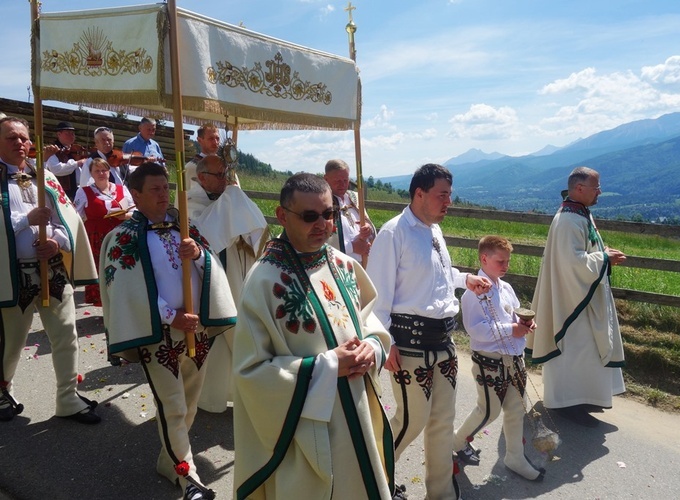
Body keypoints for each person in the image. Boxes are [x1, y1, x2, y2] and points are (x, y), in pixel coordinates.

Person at [233, 173, 395, 500]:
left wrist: (373, 347)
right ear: (282, 216)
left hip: (358, 412)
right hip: (310, 429)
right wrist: (328, 365)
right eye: (309, 216)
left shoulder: (342, 264)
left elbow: (368, 320)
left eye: (328, 214)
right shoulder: (263, 281)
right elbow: (250, 373)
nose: (322, 224)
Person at [99, 162, 236, 500]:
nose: (164, 195)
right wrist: (169, 315)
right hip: (159, 335)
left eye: (166, 188)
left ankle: (169, 459)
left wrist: (199, 254)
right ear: (136, 194)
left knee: (189, 404)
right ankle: (187, 477)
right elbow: (126, 289)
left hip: (197, 330)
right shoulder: (122, 237)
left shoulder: (185, 227)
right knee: (172, 405)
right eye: (156, 189)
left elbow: (211, 269)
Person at [367, 163, 492, 500]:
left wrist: (465, 279)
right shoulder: (393, 233)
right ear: (419, 194)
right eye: (442, 195)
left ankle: (440, 493)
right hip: (409, 344)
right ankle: (371, 479)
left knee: (441, 421)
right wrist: (386, 340)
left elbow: (436, 275)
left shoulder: (434, 230)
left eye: (449, 194)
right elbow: (377, 294)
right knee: (411, 421)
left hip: (444, 342)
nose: (448, 201)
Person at [0, 116, 100, 424]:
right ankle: (3, 391)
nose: (20, 143)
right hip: (13, 274)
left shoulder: (44, 176)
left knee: (66, 334)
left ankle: (68, 398)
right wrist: (25, 219)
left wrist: (56, 240)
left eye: (23, 138)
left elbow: (67, 218)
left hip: (52, 271)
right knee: (11, 342)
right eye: (11, 138)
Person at [527, 166, 627, 428]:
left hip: (583, 295)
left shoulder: (580, 213)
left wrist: (603, 252)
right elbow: (572, 263)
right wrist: (604, 258)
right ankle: (566, 404)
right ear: (579, 189)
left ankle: (583, 399)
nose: (600, 191)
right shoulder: (569, 220)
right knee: (575, 351)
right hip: (571, 300)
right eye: (596, 187)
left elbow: (583, 252)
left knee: (586, 352)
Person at [452, 236, 544, 481]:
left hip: (514, 358)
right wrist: (510, 330)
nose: (506, 266)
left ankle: (515, 456)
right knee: (488, 411)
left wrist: (524, 322)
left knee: (516, 409)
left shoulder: (505, 287)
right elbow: (475, 329)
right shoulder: (473, 294)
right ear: (484, 259)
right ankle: (457, 440)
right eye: (500, 261)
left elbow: (515, 313)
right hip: (489, 361)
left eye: (508, 261)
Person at [187, 154, 269, 413]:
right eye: (220, 175)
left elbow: (255, 234)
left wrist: (238, 215)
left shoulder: (229, 200)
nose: (227, 180)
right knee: (218, 338)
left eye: (227, 174)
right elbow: (204, 234)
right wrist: (232, 204)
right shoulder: (190, 204)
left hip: (237, 275)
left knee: (242, 331)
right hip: (209, 279)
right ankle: (209, 396)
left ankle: (241, 391)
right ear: (201, 178)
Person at [73, 157, 134, 306]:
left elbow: (135, 210)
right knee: (100, 270)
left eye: (104, 170)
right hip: (96, 238)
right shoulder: (84, 191)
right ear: (91, 174)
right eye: (97, 171)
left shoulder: (121, 189)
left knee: (119, 270)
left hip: (119, 237)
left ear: (109, 172)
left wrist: (125, 215)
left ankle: (119, 305)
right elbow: (75, 216)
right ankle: (104, 307)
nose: (101, 173)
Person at [323, 159, 375, 262]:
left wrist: (369, 230)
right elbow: (322, 241)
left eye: (345, 180)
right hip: (339, 265)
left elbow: (369, 225)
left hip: (364, 262)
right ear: (326, 179)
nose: (342, 185)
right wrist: (352, 247)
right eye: (337, 181)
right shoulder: (323, 203)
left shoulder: (355, 198)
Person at [42, 121, 87, 201]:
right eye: (68, 133)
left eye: (73, 133)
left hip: (76, 191)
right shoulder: (52, 150)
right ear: (59, 134)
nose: (72, 136)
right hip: (59, 191)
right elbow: (56, 169)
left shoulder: (75, 149)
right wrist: (78, 163)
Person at [184, 123, 222, 192]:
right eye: (211, 138)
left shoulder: (223, 166)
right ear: (200, 140)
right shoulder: (191, 168)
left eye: (217, 138)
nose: (215, 142)